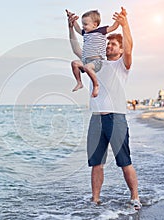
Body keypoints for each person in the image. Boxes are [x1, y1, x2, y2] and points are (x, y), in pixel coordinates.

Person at [67, 7, 142, 210]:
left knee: (124, 161)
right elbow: (76, 49)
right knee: (96, 163)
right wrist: (70, 26)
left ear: (119, 49)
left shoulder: (121, 66)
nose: (108, 46)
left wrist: (125, 25)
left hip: (116, 118)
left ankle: (135, 197)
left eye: (112, 44)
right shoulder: (94, 63)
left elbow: (129, 48)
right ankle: (95, 199)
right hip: (96, 119)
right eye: (107, 43)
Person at [65, 9, 119, 97]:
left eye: (85, 24)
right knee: (74, 63)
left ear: (94, 24)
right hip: (86, 61)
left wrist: (119, 19)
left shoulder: (101, 31)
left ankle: (96, 85)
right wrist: (72, 19)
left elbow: (114, 27)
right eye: (83, 24)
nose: (83, 26)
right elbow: (77, 29)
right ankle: (79, 82)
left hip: (97, 61)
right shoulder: (85, 33)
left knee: (87, 67)